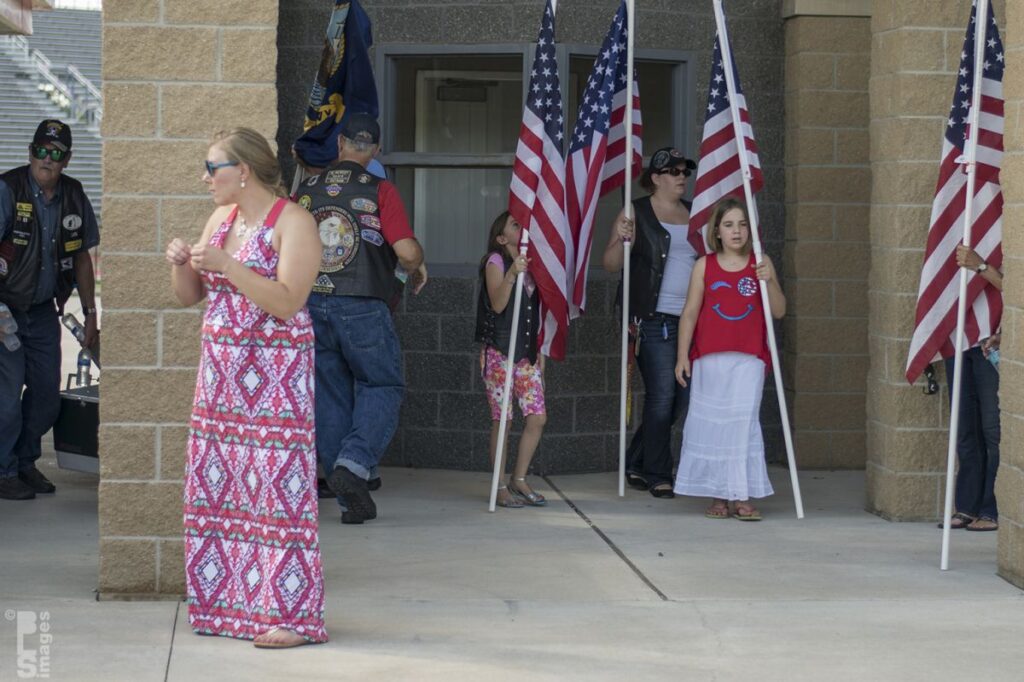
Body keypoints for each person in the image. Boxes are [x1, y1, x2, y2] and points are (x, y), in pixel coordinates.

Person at [165, 128, 326, 648]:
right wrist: (181, 265)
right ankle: (226, 607)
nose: (204, 178)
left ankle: (291, 618)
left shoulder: (293, 222)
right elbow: (191, 297)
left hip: (275, 388)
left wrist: (230, 266)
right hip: (221, 387)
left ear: (244, 171)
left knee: (279, 496)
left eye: (212, 168)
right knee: (223, 494)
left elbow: (287, 301)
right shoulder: (221, 220)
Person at [297, 113, 426, 524]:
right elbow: (405, 252)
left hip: (312, 303)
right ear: (375, 152)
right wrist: (418, 261)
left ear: (340, 145)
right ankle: (353, 465)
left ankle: (348, 486)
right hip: (364, 304)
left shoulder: (305, 190)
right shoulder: (380, 189)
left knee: (330, 390)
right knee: (383, 383)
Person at [0, 119, 99, 501]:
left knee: (46, 397)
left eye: (56, 154)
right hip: (6, 310)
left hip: (42, 311)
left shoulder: (73, 194)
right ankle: (5, 469)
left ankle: (25, 462)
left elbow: (82, 259)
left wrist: (90, 313)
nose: (47, 159)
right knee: (7, 396)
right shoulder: (8, 189)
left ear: (67, 159)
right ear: (31, 152)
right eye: (41, 150)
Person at [673, 197, 785, 521]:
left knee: (742, 426)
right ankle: (720, 494)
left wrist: (769, 280)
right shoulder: (704, 265)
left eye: (742, 224)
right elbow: (690, 312)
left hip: (749, 358)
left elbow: (779, 310)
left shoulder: (761, 262)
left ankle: (742, 495)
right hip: (710, 359)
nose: (736, 231)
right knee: (713, 426)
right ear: (717, 232)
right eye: (728, 225)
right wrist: (683, 355)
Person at [602, 147, 698, 499]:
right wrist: (622, 237)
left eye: (684, 172)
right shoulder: (636, 211)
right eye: (673, 172)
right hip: (652, 320)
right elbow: (611, 264)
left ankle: (637, 461)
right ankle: (659, 473)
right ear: (655, 178)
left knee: (681, 399)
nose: (681, 178)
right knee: (662, 396)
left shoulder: (696, 213)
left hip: (691, 320)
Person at [474, 211, 548, 508]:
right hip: (501, 352)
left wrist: (540, 349)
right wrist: (511, 274)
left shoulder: (533, 265)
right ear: (502, 238)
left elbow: (536, 312)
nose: (523, 228)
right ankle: (500, 484)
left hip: (526, 354)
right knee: (502, 419)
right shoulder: (497, 261)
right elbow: (498, 303)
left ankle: (519, 478)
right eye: (515, 225)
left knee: (537, 417)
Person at [939, 244, 1002, 532]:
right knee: (964, 428)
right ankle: (967, 506)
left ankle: (991, 509)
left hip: (993, 342)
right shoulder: (955, 234)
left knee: (993, 430)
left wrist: (980, 266)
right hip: (959, 340)